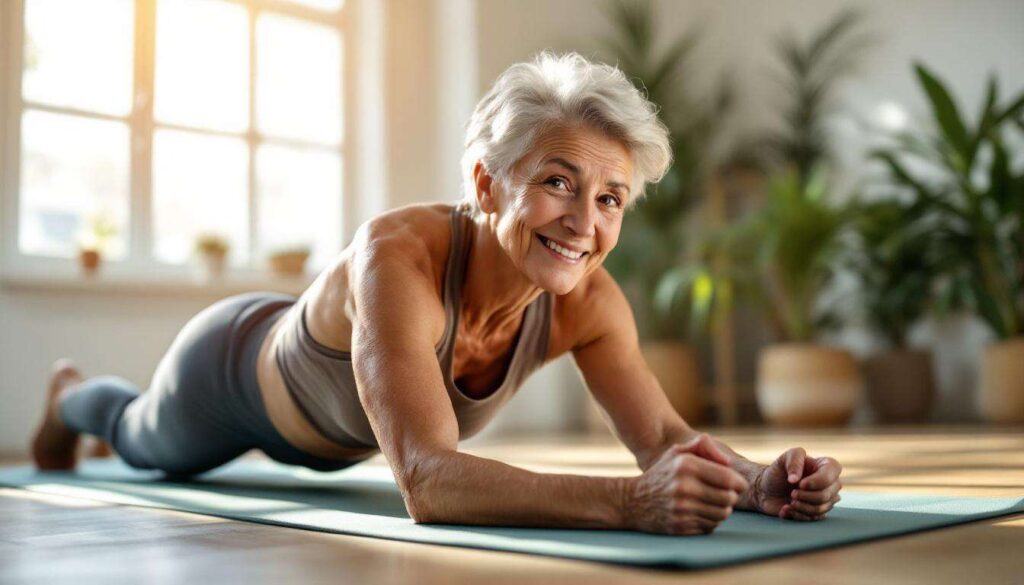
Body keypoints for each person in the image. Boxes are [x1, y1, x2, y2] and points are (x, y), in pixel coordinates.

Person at [31, 52, 842, 536]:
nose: (584, 223)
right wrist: (633, 504)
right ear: (487, 183)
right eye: (558, 181)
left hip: (325, 424)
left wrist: (756, 480)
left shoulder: (589, 302)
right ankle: (70, 395)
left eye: (610, 198)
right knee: (136, 436)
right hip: (230, 375)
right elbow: (425, 478)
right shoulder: (398, 255)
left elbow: (662, 434)